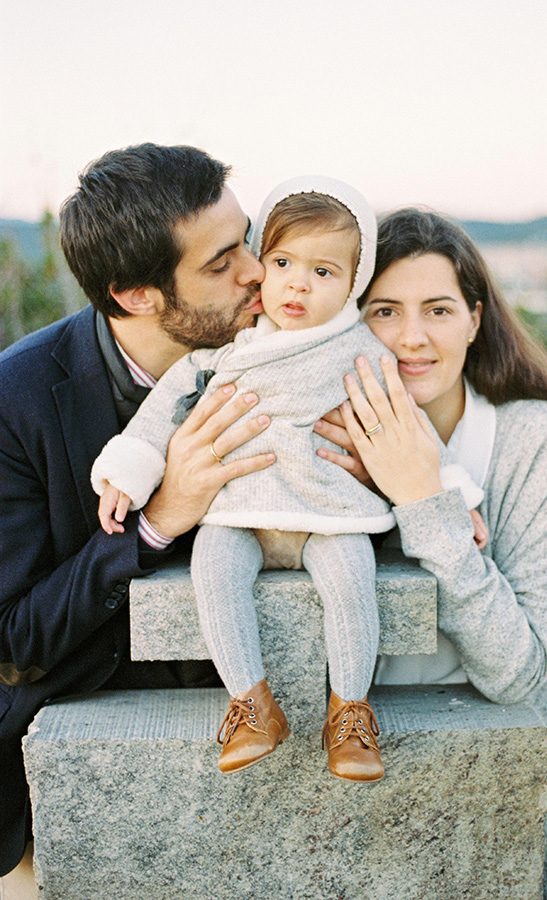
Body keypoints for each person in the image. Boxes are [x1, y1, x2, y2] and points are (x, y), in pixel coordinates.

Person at [91, 177, 486, 783]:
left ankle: (349, 711)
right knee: (213, 568)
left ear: (354, 282)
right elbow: (161, 412)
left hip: (326, 512)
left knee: (351, 576)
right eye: (281, 262)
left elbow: (410, 433)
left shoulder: (361, 352)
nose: (298, 283)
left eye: (324, 272)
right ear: (261, 264)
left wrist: (456, 499)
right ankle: (252, 704)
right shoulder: (229, 350)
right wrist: (130, 471)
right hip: (244, 511)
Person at [0, 143, 275, 895]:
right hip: (62, 795)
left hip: (266, 772)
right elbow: (14, 641)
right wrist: (156, 521)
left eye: (246, 240)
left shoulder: (282, 352)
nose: (257, 272)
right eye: (221, 264)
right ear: (135, 295)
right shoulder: (16, 399)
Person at [315, 207, 547, 899]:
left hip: (503, 812)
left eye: (438, 309)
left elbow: (515, 671)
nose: (412, 338)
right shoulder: (318, 439)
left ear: (475, 319)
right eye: (384, 311)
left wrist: (422, 499)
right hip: (349, 812)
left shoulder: (539, 441)